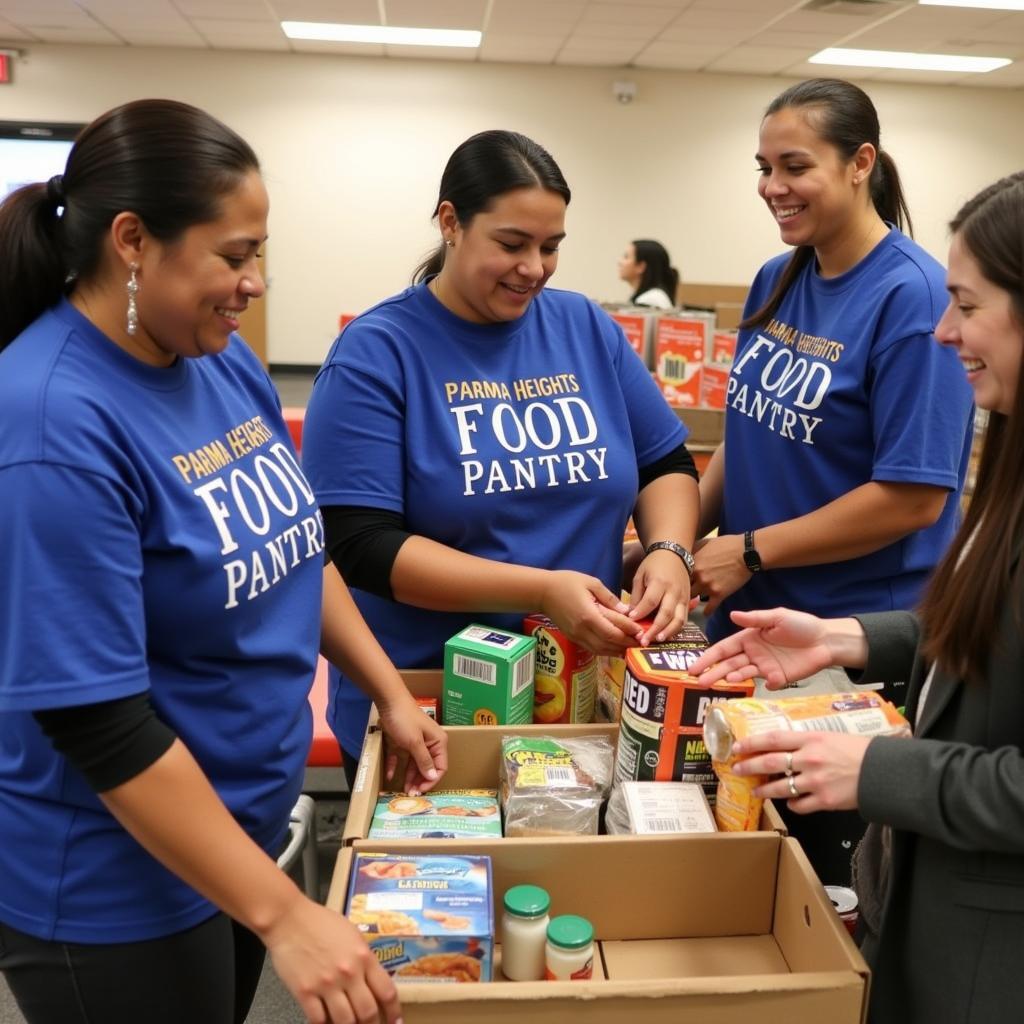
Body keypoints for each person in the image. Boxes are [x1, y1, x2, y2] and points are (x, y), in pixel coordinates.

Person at [0, 98, 444, 1024]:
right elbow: (99, 722)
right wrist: (287, 913)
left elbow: (297, 547)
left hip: (236, 835)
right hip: (116, 881)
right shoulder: (52, 423)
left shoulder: (214, 357)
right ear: (132, 240)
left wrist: (391, 693)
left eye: (260, 255)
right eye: (234, 256)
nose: (254, 283)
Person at [689, 172, 1024, 1023]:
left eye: (968, 306)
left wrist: (878, 768)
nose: (943, 332)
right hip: (932, 906)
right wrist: (849, 641)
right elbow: (995, 628)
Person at [302, 130, 701, 780]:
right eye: (512, 244)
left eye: (551, 247)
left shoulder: (584, 327)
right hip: (432, 705)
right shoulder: (379, 353)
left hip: (577, 694)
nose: (536, 268)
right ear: (451, 222)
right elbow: (361, 546)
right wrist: (541, 588)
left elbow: (665, 466)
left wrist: (669, 552)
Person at [691, 78, 975, 884]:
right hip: (756, 619)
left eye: (794, 165)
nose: (772, 187)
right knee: (741, 841)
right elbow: (742, 437)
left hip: (848, 645)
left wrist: (744, 550)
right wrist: (681, 545)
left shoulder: (912, 296)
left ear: (860, 164)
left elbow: (913, 495)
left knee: (821, 876)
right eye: (762, 166)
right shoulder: (779, 278)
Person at [617, 238, 679, 309]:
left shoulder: (651, 300)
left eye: (626, 257)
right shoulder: (648, 297)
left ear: (641, 267)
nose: (620, 262)